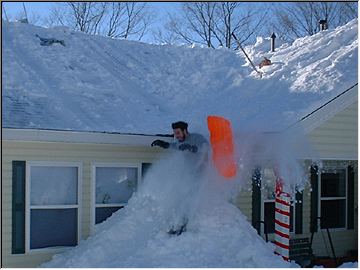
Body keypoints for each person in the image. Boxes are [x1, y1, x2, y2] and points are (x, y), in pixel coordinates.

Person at [151, 121, 209, 235]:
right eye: (175, 133)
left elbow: (206, 149)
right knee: (179, 198)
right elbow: (174, 146)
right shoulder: (179, 142)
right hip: (188, 176)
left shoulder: (198, 138)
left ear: (185, 131)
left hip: (200, 175)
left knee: (189, 199)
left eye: (178, 133)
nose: (176, 136)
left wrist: (193, 148)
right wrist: (164, 144)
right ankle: (176, 224)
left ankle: (185, 226)